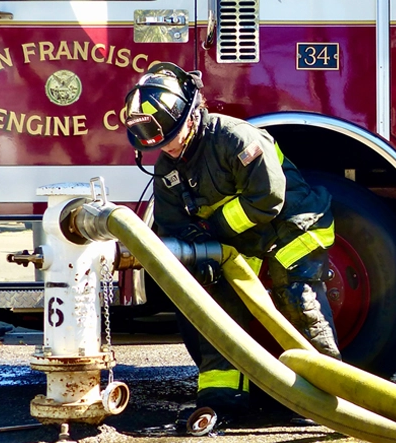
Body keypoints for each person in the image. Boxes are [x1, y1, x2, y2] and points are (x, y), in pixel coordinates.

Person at [122, 62, 340, 424]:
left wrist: (215, 232)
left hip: (292, 227)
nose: (168, 151)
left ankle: (327, 397)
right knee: (212, 305)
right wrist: (198, 251)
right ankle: (223, 399)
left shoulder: (236, 138)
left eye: (170, 140)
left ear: (191, 118)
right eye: (161, 146)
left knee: (298, 299)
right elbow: (173, 224)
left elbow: (267, 198)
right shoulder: (168, 169)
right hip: (241, 242)